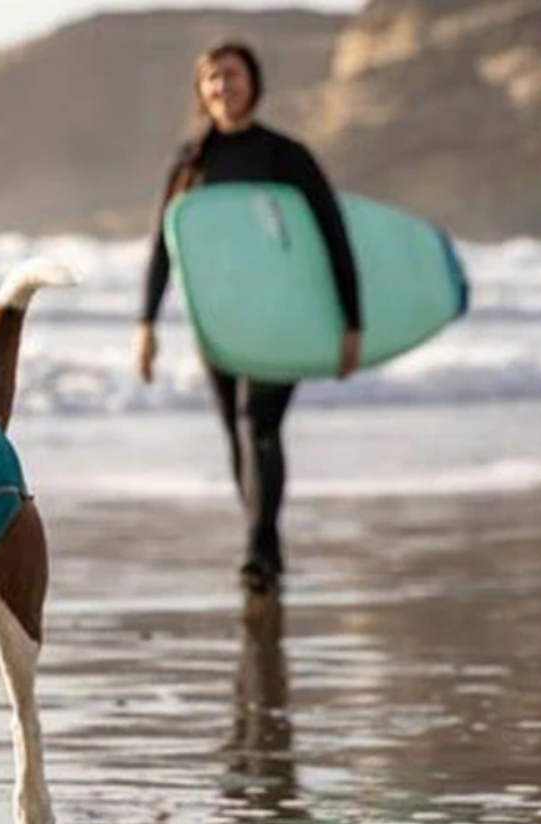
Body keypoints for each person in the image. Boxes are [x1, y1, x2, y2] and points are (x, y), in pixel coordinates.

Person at [134, 40, 362, 594]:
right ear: (201, 91)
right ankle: (265, 541)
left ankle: (258, 548)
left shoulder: (286, 155)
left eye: (231, 75)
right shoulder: (191, 162)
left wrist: (350, 322)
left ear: (254, 83)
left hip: (280, 316)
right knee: (235, 434)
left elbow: (331, 235)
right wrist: (147, 325)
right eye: (211, 78)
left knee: (257, 424)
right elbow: (166, 246)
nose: (221, 86)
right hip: (217, 320)